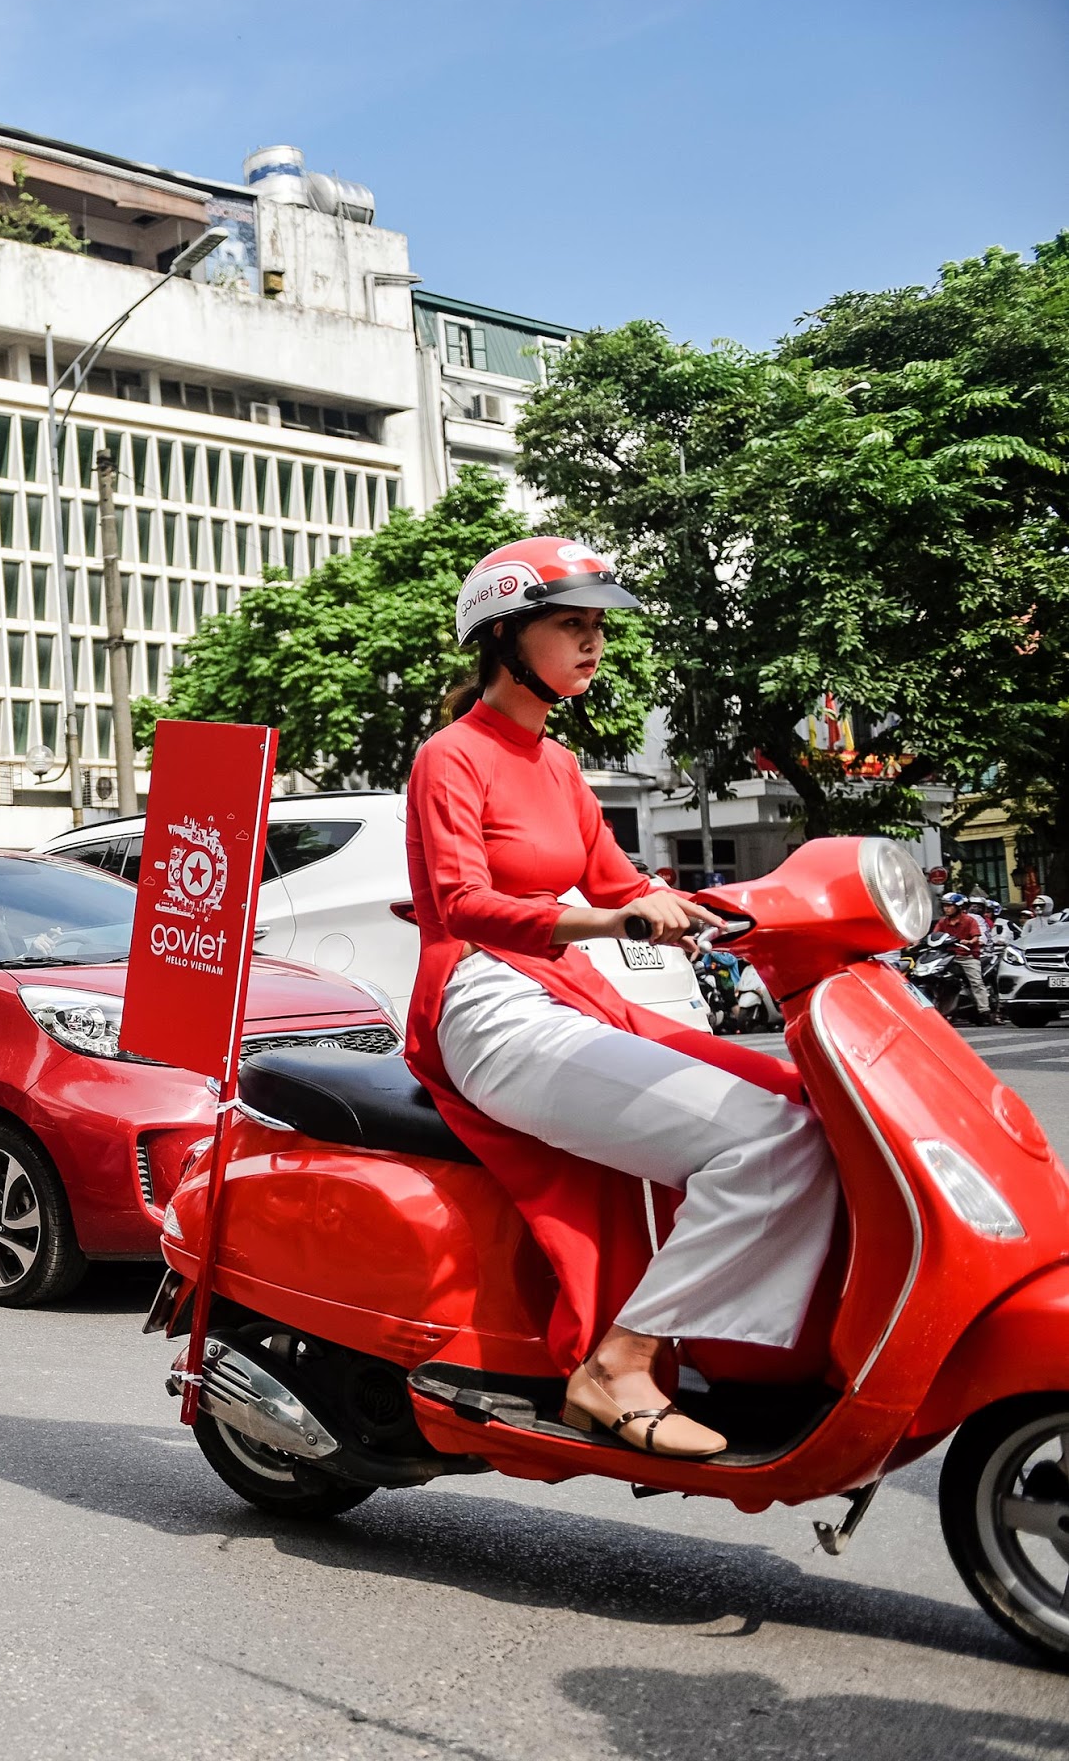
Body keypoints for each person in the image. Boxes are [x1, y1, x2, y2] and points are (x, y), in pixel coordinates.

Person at [404, 537, 840, 1460]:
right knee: (759, 1144)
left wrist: (756, 911)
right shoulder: (451, 757)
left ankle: (758, 1357)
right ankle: (619, 1366)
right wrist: (617, 926)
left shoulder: (557, 765)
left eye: (599, 626)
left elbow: (618, 879)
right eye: (573, 625)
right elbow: (460, 905)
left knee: (808, 1121)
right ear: (507, 636)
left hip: (563, 993)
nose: (595, 643)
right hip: (484, 1005)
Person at [930, 892, 994, 1022]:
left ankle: (984, 1010)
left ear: (958, 907)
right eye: (944, 906)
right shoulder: (943, 922)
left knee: (976, 981)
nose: (946, 908)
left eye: (949, 906)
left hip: (967, 956)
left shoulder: (970, 920)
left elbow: (976, 936)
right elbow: (934, 935)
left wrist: (969, 942)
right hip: (948, 956)